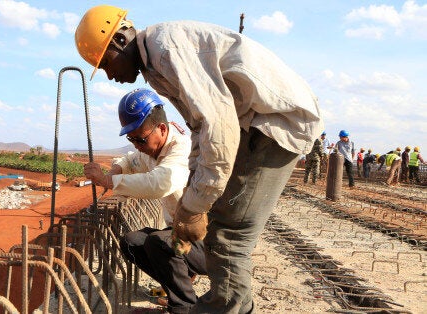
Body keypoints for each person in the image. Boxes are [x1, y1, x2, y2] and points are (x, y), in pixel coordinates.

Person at [75, 6, 324, 313]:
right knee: (219, 232)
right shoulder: (155, 64)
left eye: (105, 63)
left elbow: (217, 127)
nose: (110, 75)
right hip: (252, 122)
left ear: (121, 40)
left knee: (229, 237)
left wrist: (193, 208)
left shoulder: (165, 50)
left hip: (274, 122)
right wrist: (195, 198)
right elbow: (200, 131)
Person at [83, 88, 206, 313]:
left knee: (158, 242)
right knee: (131, 242)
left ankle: (183, 308)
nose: (136, 145)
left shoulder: (181, 148)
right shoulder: (150, 148)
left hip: (208, 243)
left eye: (139, 139)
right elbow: (131, 160)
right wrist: (116, 169)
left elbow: (159, 183)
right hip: (181, 235)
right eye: (131, 140)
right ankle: (181, 284)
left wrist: (107, 181)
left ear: (161, 128)